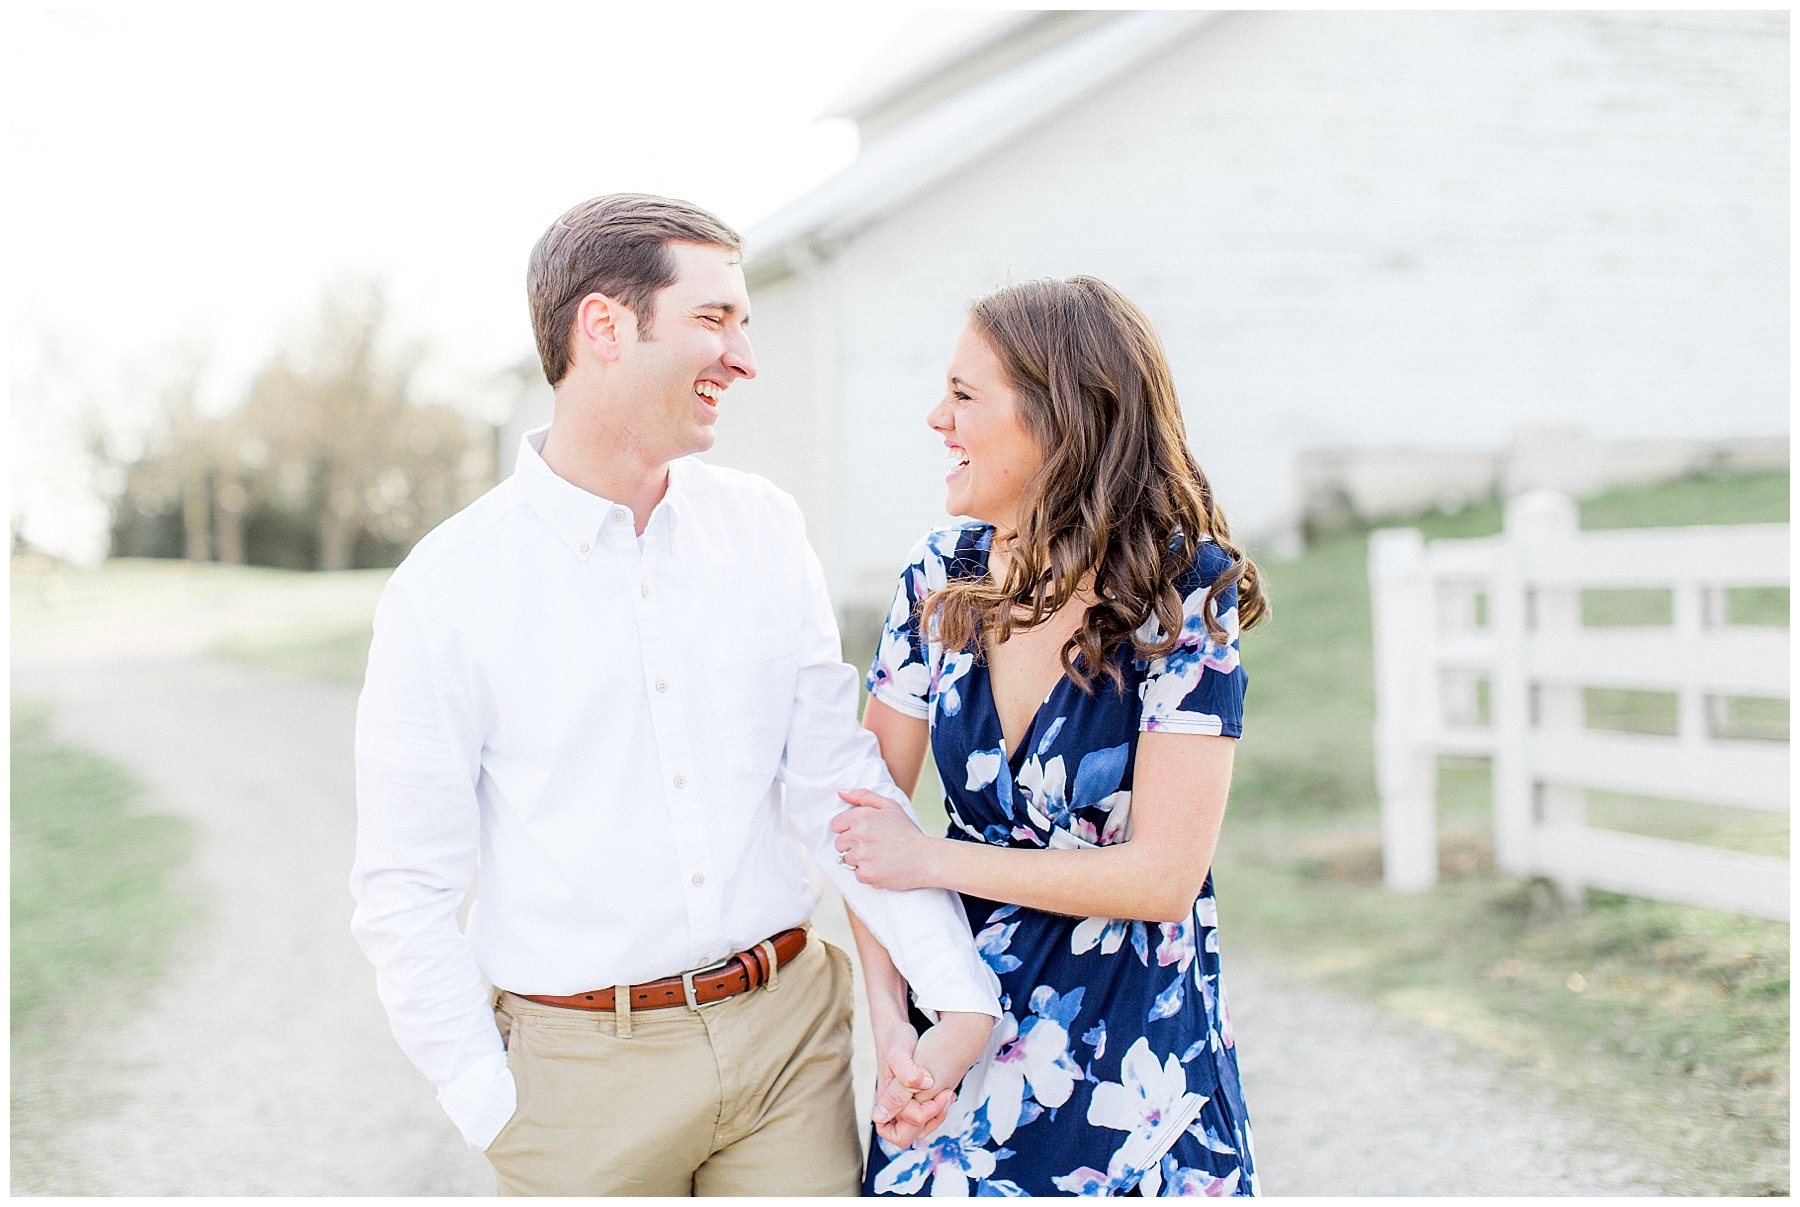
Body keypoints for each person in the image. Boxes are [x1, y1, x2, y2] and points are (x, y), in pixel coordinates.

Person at [349, 193, 998, 1197]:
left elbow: (838, 790)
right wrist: (491, 1101)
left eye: (745, 322)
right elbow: (405, 887)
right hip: (580, 1084)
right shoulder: (446, 590)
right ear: (604, 327)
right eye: (713, 318)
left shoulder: (765, 529)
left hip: (787, 1045)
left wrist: (957, 990)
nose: (744, 357)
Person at [830, 276, 1270, 1197]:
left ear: (1057, 418)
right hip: (957, 1045)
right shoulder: (934, 581)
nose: (936, 418)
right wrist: (897, 1024)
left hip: (1133, 1063)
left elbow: (1162, 877)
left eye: (963, 394)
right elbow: (864, 826)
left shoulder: (1182, 591)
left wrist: (931, 858)